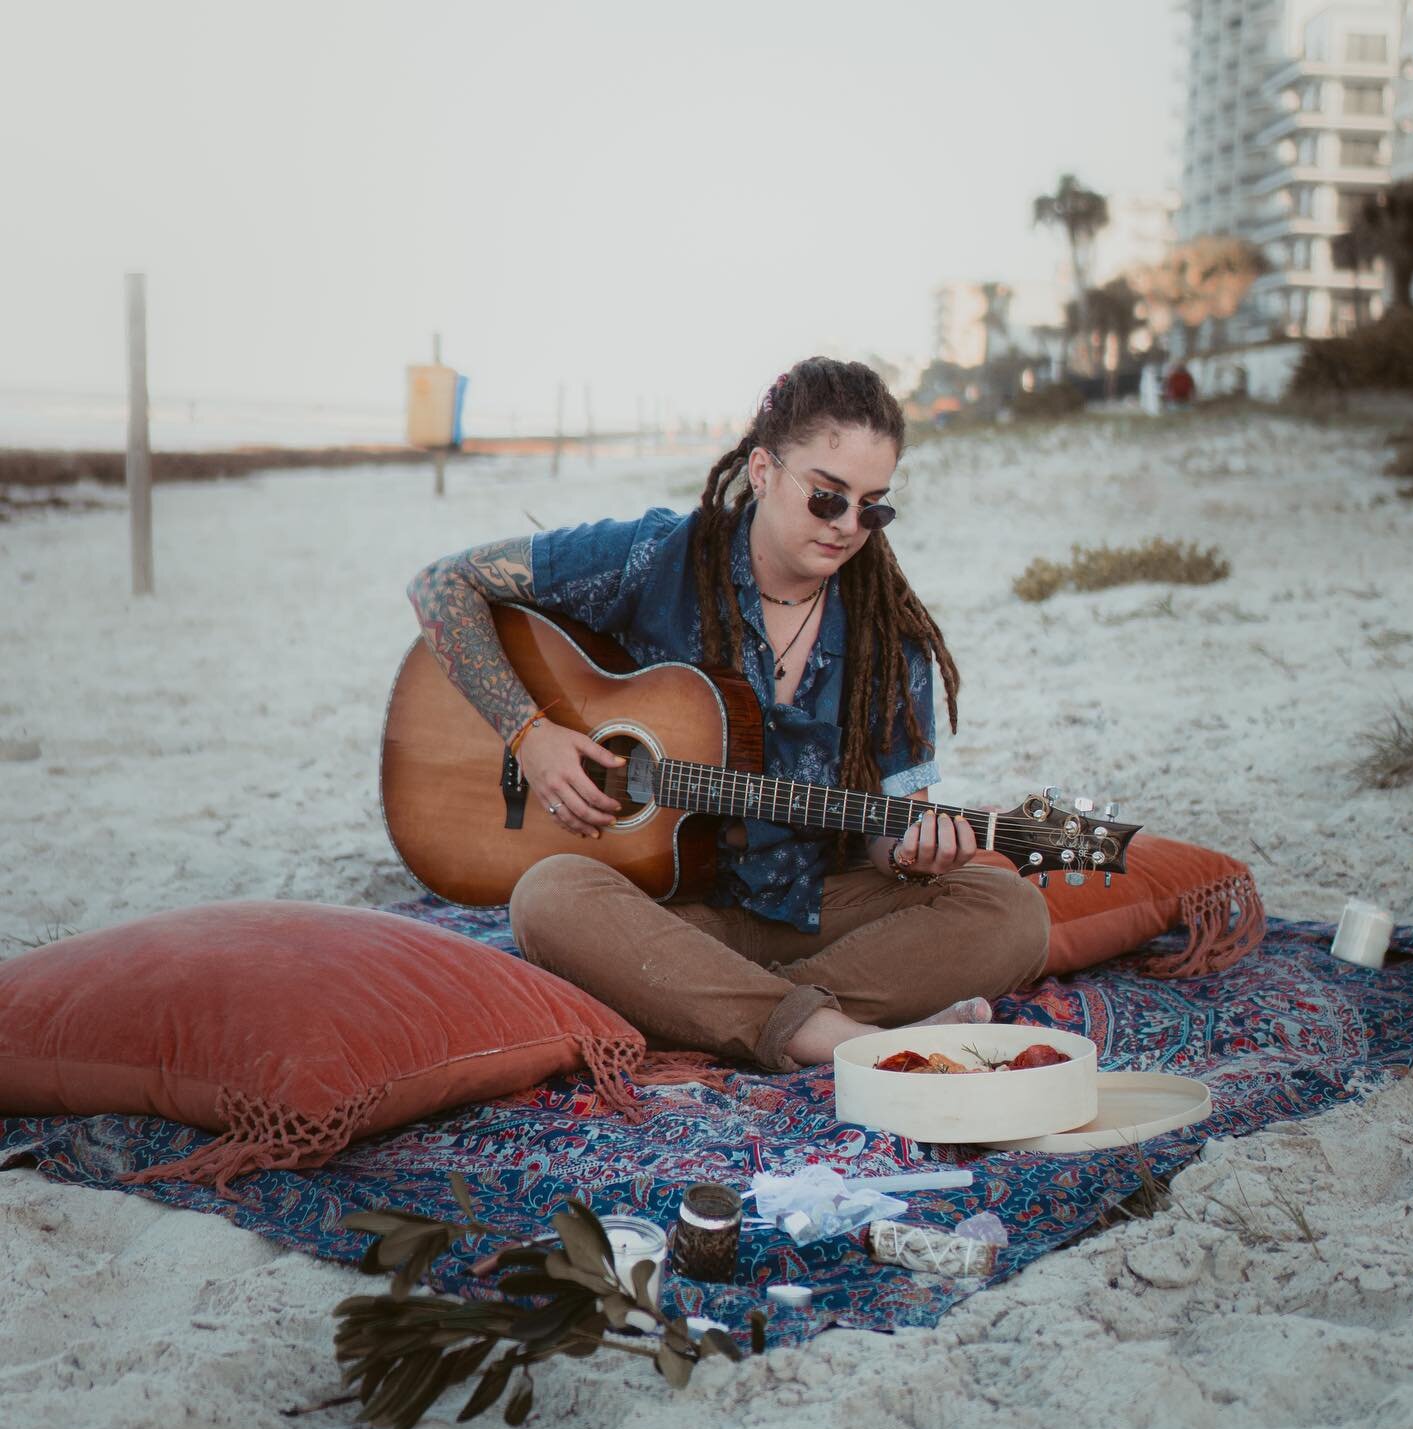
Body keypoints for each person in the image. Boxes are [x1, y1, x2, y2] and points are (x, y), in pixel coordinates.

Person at [406, 357, 1048, 1072]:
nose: (847, 527)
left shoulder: (887, 639)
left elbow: (889, 838)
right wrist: (529, 734)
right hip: (663, 910)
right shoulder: (656, 557)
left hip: (815, 910)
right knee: (547, 897)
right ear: (764, 471)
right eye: (828, 497)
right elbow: (442, 584)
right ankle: (837, 1035)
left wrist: (914, 849)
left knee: (1010, 909)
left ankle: (750, 1015)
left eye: (873, 507)